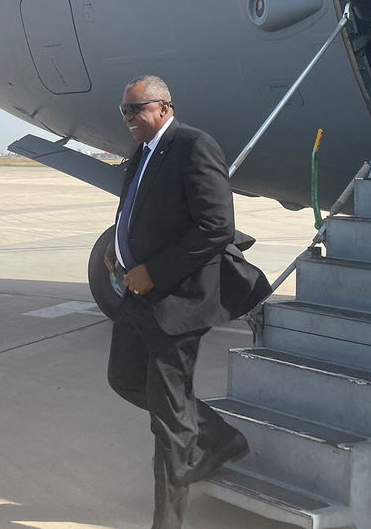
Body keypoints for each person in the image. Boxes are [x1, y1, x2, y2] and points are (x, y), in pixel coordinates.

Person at [103, 75, 251, 529]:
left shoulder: (193, 146)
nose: (128, 118)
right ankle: (220, 438)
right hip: (138, 293)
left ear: (164, 107)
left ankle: (167, 520)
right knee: (124, 378)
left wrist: (156, 271)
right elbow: (137, 210)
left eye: (136, 110)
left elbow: (215, 226)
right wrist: (119, 248)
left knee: (169, 419)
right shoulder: (143, 152)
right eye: (124, 111)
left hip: (177, 300)